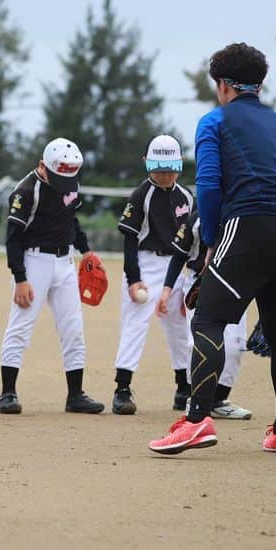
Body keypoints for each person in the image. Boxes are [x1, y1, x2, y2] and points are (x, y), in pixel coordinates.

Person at [149, 42, 276, 456]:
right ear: (257, 85)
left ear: (223, 85)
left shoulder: (214, 122)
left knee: (207, 319)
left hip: (246, 224)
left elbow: (208, 186)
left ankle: (197, 421)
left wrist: (211, 241)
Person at [0, 138, 104, 415]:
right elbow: (12, 238)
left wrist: (86, 251)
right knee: (20, 326)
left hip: (64, 261)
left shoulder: (70, 181)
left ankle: (75, 395)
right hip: (33, 263)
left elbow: (72, 219)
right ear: (42, 166)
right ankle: (8, 393)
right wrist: (20, 278)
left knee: (73, 328)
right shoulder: (25, 192)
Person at [110, 135, 194, 415]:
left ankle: (184, 388)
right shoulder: (140, 195)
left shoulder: (186, 197)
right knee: (135, 325)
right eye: (159, 168)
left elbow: (191, 242)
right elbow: (130, 240)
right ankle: (122, 389)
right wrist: (134, 279)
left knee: (180, 328)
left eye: (170, 168)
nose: (166, 174)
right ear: (147, 164)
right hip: (144, 265)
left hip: (175, 268)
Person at [155, 212, 253, 420]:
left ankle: (218, 400)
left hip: (236, 282)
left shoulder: (245, 213)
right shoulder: (198, 218)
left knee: (235, 345)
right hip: (200, 283)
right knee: (198, 342)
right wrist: (167, 289)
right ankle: (196, 397)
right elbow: (180, 255)